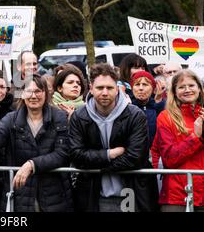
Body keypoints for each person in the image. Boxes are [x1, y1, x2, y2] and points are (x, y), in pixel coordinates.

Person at [69, 63, 158, 212]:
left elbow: (135, 157)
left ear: (117, 89)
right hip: (94, 193)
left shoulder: (135, 115)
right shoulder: (79, 116)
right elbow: (76, 154)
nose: (105, 92)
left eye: (109, 88)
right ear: (91, 88)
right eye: (99, 88)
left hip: (129, 190)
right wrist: (108, 154)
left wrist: (97, 166)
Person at [0, 74, 73, 212]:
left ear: (46, 93)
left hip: (54, 194)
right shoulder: (10, 119)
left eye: (38, 91)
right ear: (22, 93)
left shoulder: (58, 116)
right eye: (29, 91)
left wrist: (32, 164)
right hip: (21, 195)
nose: (33, 96)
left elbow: (62, 154)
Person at [156, 69, 204, 212]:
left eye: (191, 85)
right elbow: (169, 158)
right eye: (182, 87)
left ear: (199, 89)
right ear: (175, 91)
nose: (187, 90)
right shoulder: (165, 117)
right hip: (177, 195)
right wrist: (195, 137)